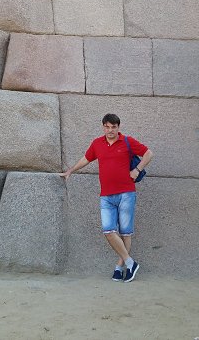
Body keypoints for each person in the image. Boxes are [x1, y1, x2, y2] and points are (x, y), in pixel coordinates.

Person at [60, 113, 153, 282]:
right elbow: (86, 159)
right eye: (107, 127)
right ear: (103, 127)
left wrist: (137, 169)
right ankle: (130, 263)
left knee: (125, 233)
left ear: (118, 127)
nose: (110, 130)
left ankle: (119, 267)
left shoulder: (127, 141)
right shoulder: (97, 143)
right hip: (106, 196)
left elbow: (148, 154)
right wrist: (70, 171)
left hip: (126, 193)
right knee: (108, 231)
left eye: (113, 127)